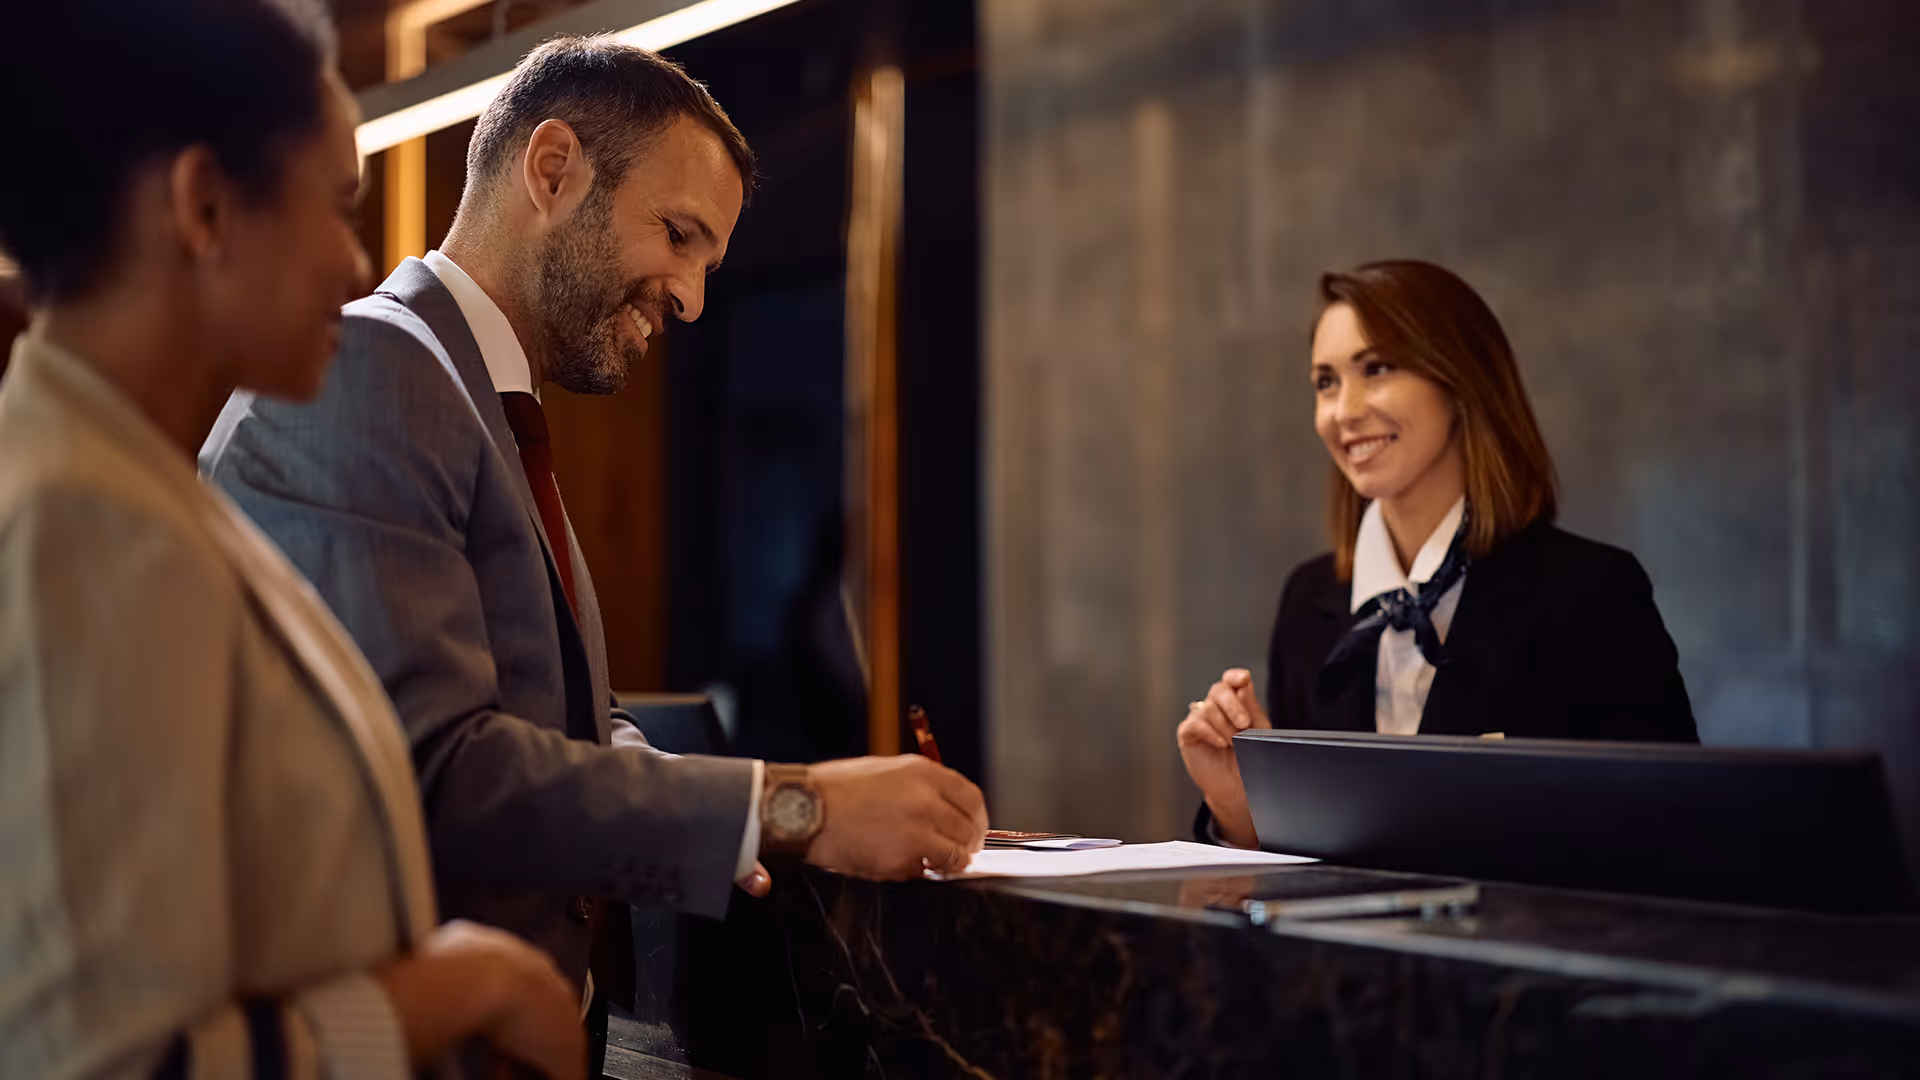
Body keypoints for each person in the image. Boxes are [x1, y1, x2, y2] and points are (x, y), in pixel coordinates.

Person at [201, 34, 989, 1057]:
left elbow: (554, 714)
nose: (693, 297)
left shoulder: (476, 397)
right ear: (554, 168)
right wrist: (793, 808)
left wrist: (741, 810)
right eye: (677, 235)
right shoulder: (369, 370)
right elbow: (437, 769)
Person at [0, 2, 585, 1077]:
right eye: (337, 208)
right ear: (206, 206)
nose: (355, 264)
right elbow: (108, 1062)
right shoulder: (81, 529)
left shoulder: (135, 488)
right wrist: (448, 994)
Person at [1178, 260, 1697, 849]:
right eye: (1326, 382)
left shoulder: (1591, 593)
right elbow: (1301, 869)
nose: (1343, 412)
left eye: (1376, 369)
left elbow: (1673, 837)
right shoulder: (1308, 601)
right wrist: (1239, 807)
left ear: (1460, 382)